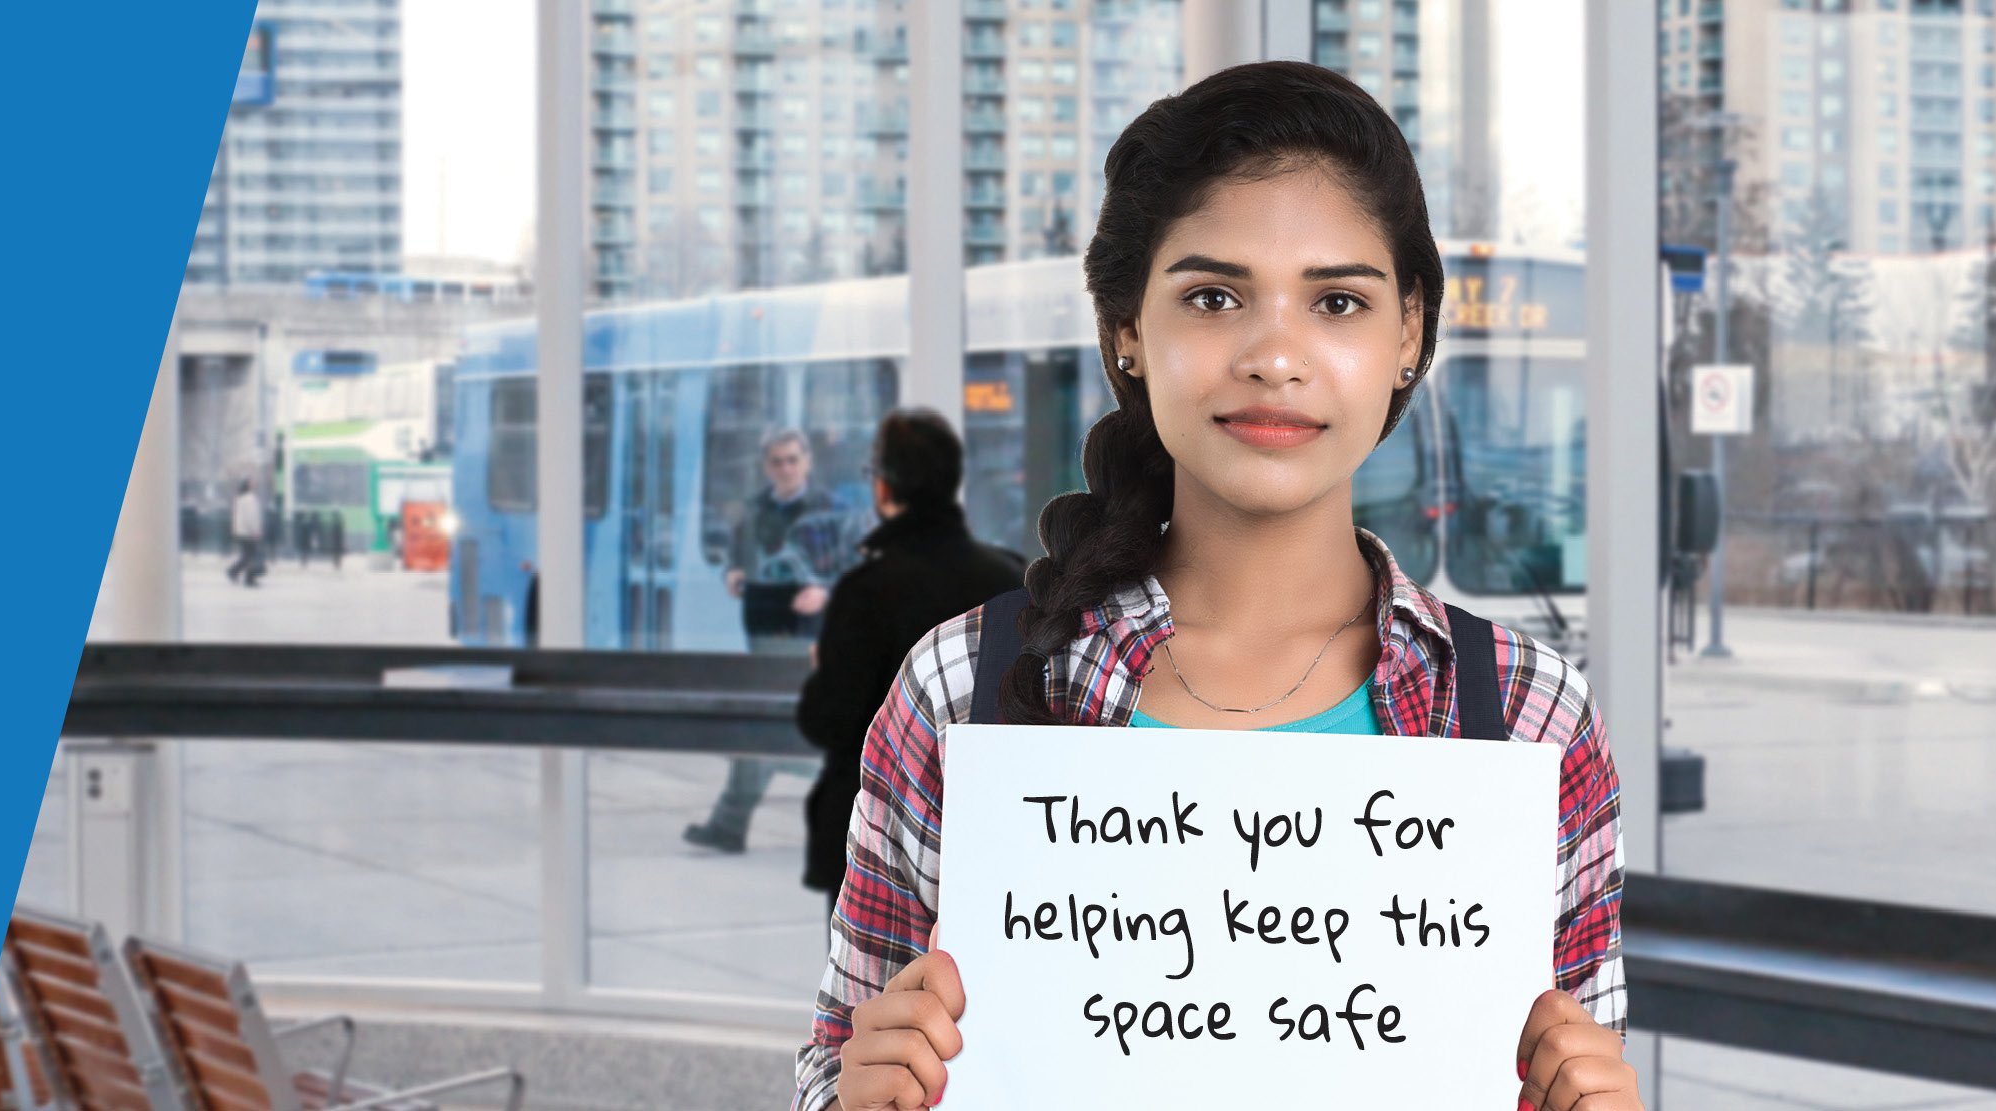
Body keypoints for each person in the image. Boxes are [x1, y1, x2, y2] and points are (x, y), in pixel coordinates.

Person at [800, 62, 1634, 1111]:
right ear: (1127, 334)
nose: (1275, 354)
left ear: (1409, 333)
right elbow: (834, 1064)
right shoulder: (961, 684)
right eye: (1212, 296)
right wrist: (856, 1097)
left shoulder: (1527, 714)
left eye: (1337, 301)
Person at [795, 408, 1024, 910]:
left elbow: (829, 719)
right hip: (993, 829)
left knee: (874, 987)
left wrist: (823, 671)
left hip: (883, 840)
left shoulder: (868, 590)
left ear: (884, 487)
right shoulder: (1011, 577)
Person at [685, 428, 867, 854]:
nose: (785, 468)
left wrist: (825, 590)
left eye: (792, 460)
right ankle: (734, 823)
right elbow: (740, 554)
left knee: (776, 730)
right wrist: (732, 572)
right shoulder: (755, 509)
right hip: (765, 631)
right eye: (777, 461)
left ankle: (732, 822)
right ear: (766, 466)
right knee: (772, 726)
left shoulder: (834, 511)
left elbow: (859, 571)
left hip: (814, 636)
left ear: (806, 462)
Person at [227, 478, 265, 587]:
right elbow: (251, 517)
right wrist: (255, 531)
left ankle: (233, 572)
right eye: (252, 483)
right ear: (248, 486)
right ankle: (249, 579)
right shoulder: (250, 499)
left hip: (240, 531)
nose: (254, 484)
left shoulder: (239, 498)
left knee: (247, 556)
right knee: (252, 556)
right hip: (249, 532)